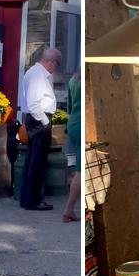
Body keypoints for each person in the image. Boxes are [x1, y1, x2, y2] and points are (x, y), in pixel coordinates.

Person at [19, 47, 61, 211]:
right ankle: (33, 200)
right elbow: (33, 103)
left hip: (35, 120)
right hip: (39, 120)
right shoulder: (37, 75)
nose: (55, 68)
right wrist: (45, 122)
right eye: (56, 64)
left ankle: (28, 198)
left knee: (33, 160)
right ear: (51, 62)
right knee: (37, 162)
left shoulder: (35, 73)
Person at [63, 74, 82, 222]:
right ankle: (68, 210)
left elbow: (69, 108)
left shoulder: (73, 80)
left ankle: (69, 210)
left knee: (77, 166)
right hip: (81, 123)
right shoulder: (84, 81)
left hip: (73, 123)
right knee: (80, 171)